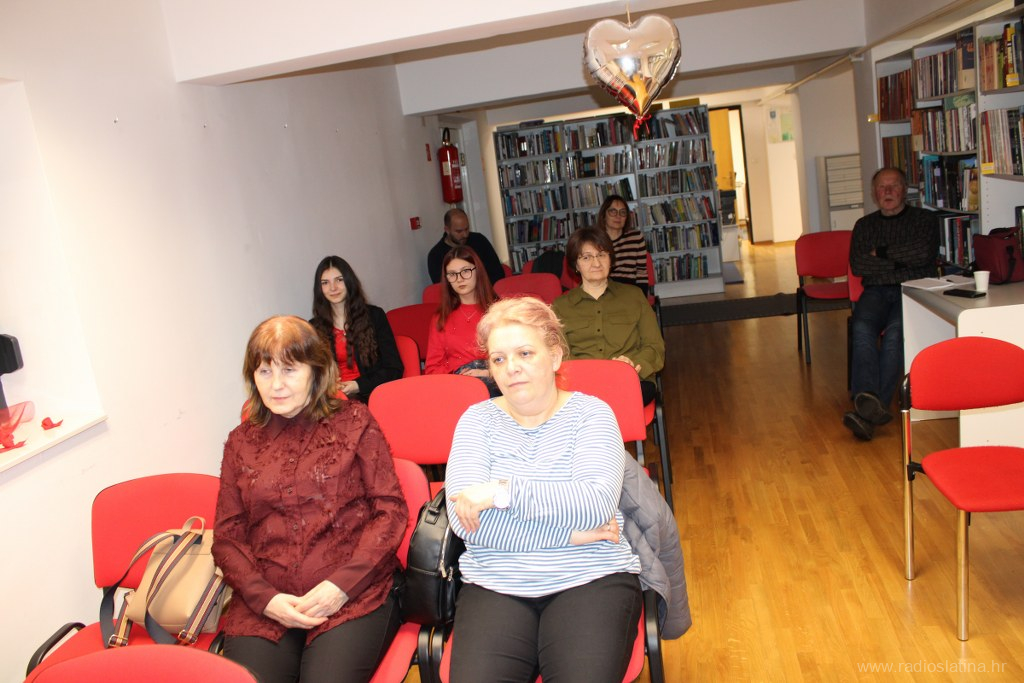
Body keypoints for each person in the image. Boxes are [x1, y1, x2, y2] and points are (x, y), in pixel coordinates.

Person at [444, 297, 644, 682]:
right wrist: (571, 535)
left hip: (590, 577)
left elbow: (594, 504)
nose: (511, 368)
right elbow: (467, 524)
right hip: (495, 582)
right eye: (498, 359)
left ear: (554, 356)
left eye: (524, 353)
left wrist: (502, 492)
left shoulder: (592, 414)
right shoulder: (475, 421)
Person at [213, 316, 408, 683]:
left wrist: (341, 586)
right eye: (265, 371)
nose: (276, 384)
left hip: (351, 595)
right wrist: (264, 598)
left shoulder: (355, 422)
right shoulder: (240, 442)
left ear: (316, 370)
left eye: (289, 370)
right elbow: (227, 539)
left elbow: (390, 511)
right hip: (267, 603)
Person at [844, 167, 939, 441]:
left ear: (905, 190)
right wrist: (902, 260)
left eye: (894, 186)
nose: (887, 192)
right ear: (874, 193)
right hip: (875, 291)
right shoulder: (864, 225)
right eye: (881, 187)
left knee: (895, 335)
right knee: (861, 328)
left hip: (912, 290)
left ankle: (870, 409)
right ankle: (870, 404)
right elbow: (860, 265)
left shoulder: (924, 220)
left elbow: (923, 254)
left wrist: (882, 253)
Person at [551, 228, 664, 405]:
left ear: (611, 260)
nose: (596, 263)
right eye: (586, 257)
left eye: (602, 255)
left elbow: (654, 346)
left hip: (630, 381)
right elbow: (560, 355)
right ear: (576, 265)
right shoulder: (560, 306)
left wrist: (632, 364)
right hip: (582, 385)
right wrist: (594, 375)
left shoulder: (634, 296)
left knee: (622, 397)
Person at [309, 256, 403, 402]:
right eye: (325, 283)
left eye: (339, 280)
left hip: (371, 394)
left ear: (349, 281)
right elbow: (313, 375)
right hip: (333, 399)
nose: (333, 288)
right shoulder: (314, 327)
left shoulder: (374, 316)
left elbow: (394, 368)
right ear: (319, 288)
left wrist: (357, 385)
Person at [424, 245, 500, 396]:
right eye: (452, 274)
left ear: (477, 271)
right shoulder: (441, 317)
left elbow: (513, 359)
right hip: (459, 382)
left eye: (465, 271)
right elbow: (432, 369)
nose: (459, 279)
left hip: (495, 378)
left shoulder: (499, 311)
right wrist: (458, 376)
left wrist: (487, 373)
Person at [427, 208, 506, 285]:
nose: (465, 235)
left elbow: (498, 273)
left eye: (467, 229)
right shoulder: (436, 255)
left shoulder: (479, 240)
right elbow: (443, 287)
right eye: (459, 231)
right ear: (447, 230)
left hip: (487, 290)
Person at [597, 194, 650, 296]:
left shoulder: (636, 237)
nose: (618, 216)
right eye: (613, 211)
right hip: (604, 290)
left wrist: (642, 298)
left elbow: (641, 272)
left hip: (629, 290)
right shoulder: (595, 241)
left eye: (623, 212)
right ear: (604, 215)